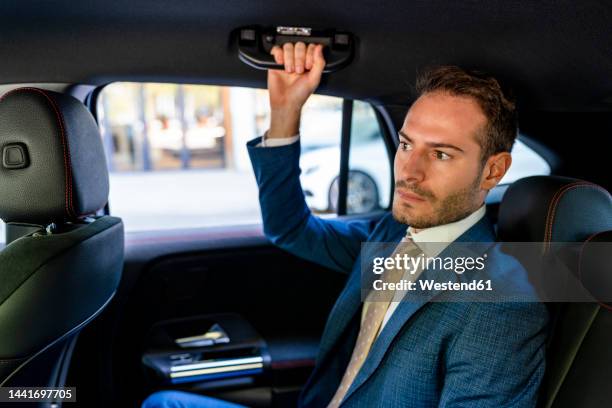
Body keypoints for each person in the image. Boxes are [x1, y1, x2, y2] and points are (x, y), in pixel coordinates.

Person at [143, 43, 549, 408]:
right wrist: (286, 113)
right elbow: (290, 229)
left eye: (441, 154)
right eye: (407, 145)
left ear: (493, 170)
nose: (409, 172)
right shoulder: (391, 236)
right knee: (164, 404)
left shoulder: (502, 303)